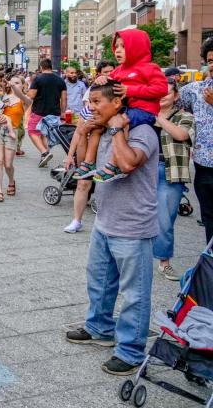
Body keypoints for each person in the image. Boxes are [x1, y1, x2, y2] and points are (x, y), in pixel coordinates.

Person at [65, 80, 159, 376]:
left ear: (117, 103)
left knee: (134, 293)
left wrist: (118, 130)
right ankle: (99, 328)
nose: (91, 107)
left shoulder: (142, 132)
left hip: (133, 225)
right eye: (89, 102)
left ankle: (130, 351)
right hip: (105, 219)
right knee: (100, 280)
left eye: (96, 102)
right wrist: (85, 132)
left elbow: (129, 163)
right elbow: (87, 167)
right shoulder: (102, 129)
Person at [83, 30, 167, 183]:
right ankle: (88, 163)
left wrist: (131, 90)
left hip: (143, 111)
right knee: (96, 126)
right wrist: (101, 79)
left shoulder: (150, 68)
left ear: (137, 47)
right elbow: (108, 84)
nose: (118, 50)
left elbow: (161, 89)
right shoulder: (119, 70)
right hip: (125, 109)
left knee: (121, 124)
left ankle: (114, 165)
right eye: (117, 47)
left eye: (123, 46)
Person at [62, 60, 116, 233]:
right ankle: (77, 220)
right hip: (88, 149)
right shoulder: (90, 102)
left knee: (106, 185)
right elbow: (79, 133)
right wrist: (70, 155)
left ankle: (106, 222)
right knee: (82, 183)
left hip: (109, 149)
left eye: (111, 71)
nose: (108, 74)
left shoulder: (119, 98)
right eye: (105, 72)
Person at [153, 73, 194, 281]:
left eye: (166, 92)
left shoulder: (184, 116)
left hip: (170, 172)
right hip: (144, 171)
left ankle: (164, 261)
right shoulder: (143, 114)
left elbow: (181, 135)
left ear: (176, 96)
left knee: (164, 220)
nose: (161, 96)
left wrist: (157, 117)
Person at [180, 38, 213, 244]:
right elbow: (167, 98)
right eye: (210, 60)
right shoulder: (194, 90)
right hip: (204, 166)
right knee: (209, 218)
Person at [0, 76, 27, 203]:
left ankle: (11, 181)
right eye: (12, 82)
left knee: (8, 164)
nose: (13, 85)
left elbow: (23, 97)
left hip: (11, 132)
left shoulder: (25, 100)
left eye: (17, 83)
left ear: (22, 85)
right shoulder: (1, 97)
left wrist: (13, 86)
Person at [27, 58, 66, 168]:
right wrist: (63, 112)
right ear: (51, 67)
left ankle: (44, 152)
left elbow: (31, 95)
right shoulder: (60, 80)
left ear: (41, 67)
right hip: (54, 112)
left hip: (39, 111)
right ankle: (44, 157)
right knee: (45, 134)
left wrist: (27, 91)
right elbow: (64, 98)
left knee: (32, 131)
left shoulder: (38, 79)